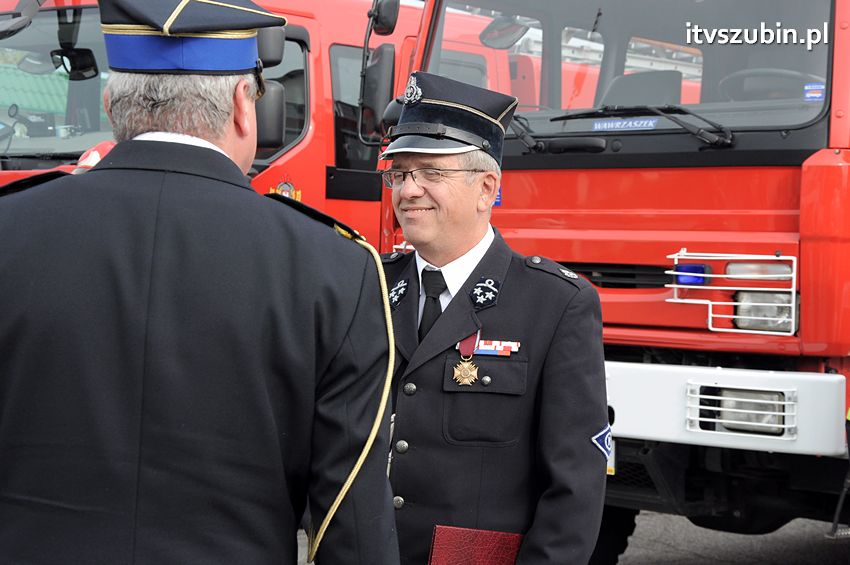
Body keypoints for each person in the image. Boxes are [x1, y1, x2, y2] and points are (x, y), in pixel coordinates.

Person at [0, 1, 399, 564]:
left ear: (111, 104)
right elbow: (350, 520)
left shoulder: (11, 229)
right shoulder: (335, 266)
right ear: (244, 107)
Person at [380, 71, 611, 565]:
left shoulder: (554, 305)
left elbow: (574, 488)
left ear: (487, 188)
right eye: (398, 173)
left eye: (430, 173)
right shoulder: (367, 284)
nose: (408, 189)